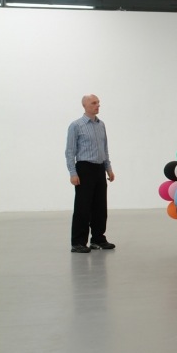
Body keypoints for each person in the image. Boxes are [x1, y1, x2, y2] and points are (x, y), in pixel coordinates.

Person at [65, 94, 116, 253]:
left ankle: (98, 239)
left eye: (98, 103)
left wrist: (108, 168)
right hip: (84, 168)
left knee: (100, 206)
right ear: (85, 105)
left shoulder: (101, 125)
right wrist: (73, 173)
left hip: (99, 168)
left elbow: (104, 149)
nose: (97, 105)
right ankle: (78, 242)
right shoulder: (76, 126)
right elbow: (70, 152)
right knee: (83, 207)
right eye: (94, 103)